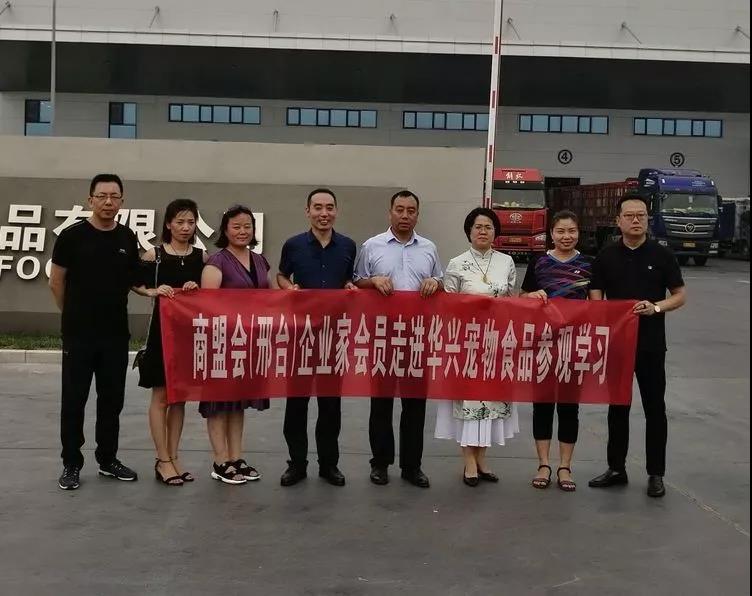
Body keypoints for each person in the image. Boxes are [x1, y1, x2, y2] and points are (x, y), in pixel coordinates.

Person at [588, 191, 686, 498]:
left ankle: (656, 473)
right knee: (618, 407)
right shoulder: (606, 256)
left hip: (651, 346)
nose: (635, 220)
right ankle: (616, 468)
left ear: (648, 219)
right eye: (629, 215)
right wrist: (604, 314)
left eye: (641, 215)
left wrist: (656, 307)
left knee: (655, 408)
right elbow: (595, 292)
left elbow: (679, 295)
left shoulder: (662, 255)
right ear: (618, 220)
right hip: (617, 345)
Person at [49, 173, 140, 490]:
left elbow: (134, 280)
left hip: (115, 334)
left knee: (111, 400)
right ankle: (71, 463)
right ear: (90, 200)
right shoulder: (72, 236)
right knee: (74, 400)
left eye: (114, 196)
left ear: (122, 201)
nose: (108, 202)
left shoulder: (127, 237)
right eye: (102, 196)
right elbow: (56, 282)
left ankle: (108, 459)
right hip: (79, 335)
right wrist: (73, 315)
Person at [354, 190, 443, 488]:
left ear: (417, 215)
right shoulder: (372, 246)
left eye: (411, 210)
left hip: (418, 336)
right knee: (381, 403)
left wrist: (435, 282)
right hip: (382, 335)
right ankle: (380, 463)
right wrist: (372, 281)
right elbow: (356, 282)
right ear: (390, 212)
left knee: (414, 405)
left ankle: (411, 466)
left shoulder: (429, 248)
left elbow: (440, 280)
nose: (405, 215)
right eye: (400, 209)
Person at [276, 188, 357, 487]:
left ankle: (329, 464)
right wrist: (288, 288)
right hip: (301, 335)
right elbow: (281, 275)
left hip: (334, 337)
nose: (324, 213)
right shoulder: (293, 245)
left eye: (329, 207)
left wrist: (349, 286)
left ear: (336, 211)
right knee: (296, 404)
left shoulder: (347, 246)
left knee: (330, 405)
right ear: (307, 211)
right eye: (318, 207)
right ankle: (297, 464)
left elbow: (349, 278)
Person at [434, 207, 519, 486]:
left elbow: (512, 300)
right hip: (467, 343)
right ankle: (468, 462)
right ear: (469, 231)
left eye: (488, 227)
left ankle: (482, 459)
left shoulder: (506, 262)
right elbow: (448, 305)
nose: (483, 231)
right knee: (469, 403)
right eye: (478, 227)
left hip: (497, 343)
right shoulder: (457, 263)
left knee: (491, 402)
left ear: (496, 232)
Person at [133, 199, 206, 486]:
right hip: (161, 334)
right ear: (168, 224)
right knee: (161, 397)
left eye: (191, 222)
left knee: (179, 399)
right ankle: (162, 459)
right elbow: (134, 282)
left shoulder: (202, 256)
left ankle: (174, 457)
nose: (186, 227)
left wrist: (196, 288)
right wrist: (153, 291)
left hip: (189, 336)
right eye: (180, 222)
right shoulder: (156, 254)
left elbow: (210, 292)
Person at [520, 210, 592, 492]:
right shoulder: (539, 262)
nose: (566, 236)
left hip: (574, 346)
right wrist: (531, 296)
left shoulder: (588, 264)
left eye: (571, 231)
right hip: (543, 345)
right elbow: (522, 297)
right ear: (551, 234)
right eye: (561, 231)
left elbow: (597, 305)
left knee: (569, 407)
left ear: (578, 233)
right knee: (542, 405)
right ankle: (543, 464)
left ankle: (565, 466)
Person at [200, 205, 271, 485]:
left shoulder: (260, 260)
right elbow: (207, 305)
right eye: (236, 227)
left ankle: (236, 458)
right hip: (221, 343)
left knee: (238, 402)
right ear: (225, 230)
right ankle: (220, 461)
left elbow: (269, 298)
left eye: (247, 226)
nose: (243, 231)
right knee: (219, 403)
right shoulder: (216, 262)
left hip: (248, 343)